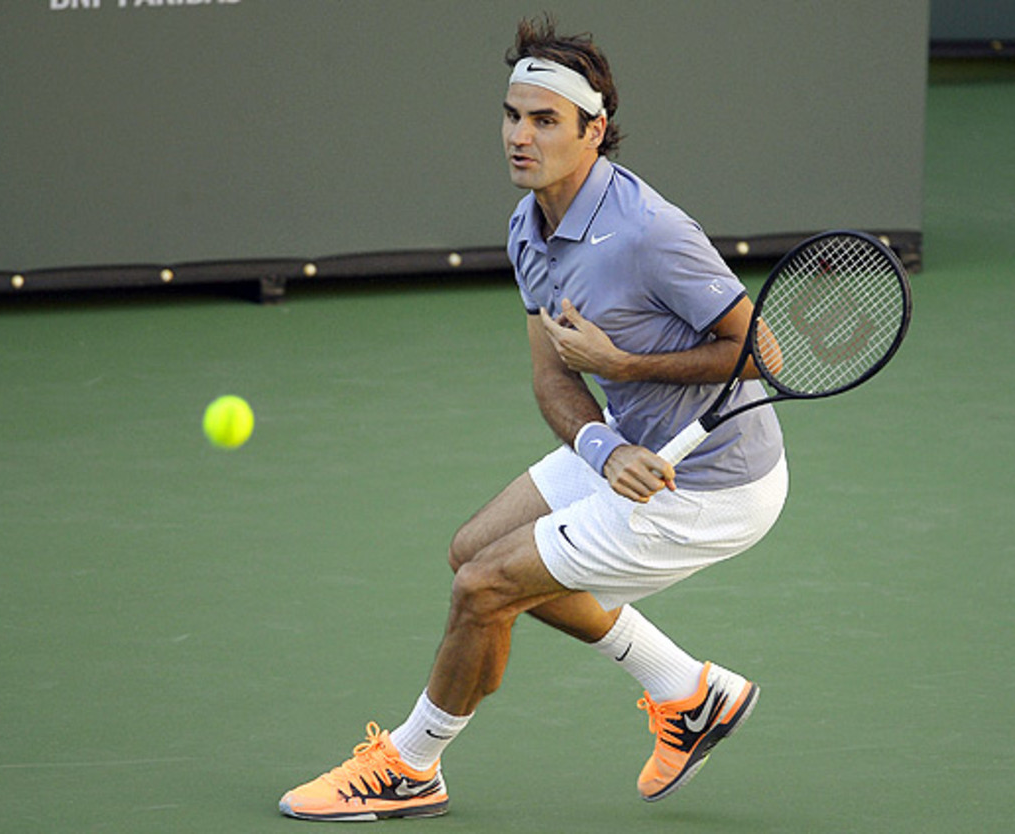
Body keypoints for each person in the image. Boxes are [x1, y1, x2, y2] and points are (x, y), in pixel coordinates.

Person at [279, 16, 787, 822]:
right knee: (473, 552)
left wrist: (626, 367)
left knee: (484, 588)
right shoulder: (528, 227)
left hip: (711, 483)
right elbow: (552, 375)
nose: (521, 136)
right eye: (513, 116)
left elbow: (764, 352)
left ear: (594, 130)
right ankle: (687, 693)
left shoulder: (652, 234)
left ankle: (411, 766)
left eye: (545, 120)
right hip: (633, 449)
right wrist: (605, 446)